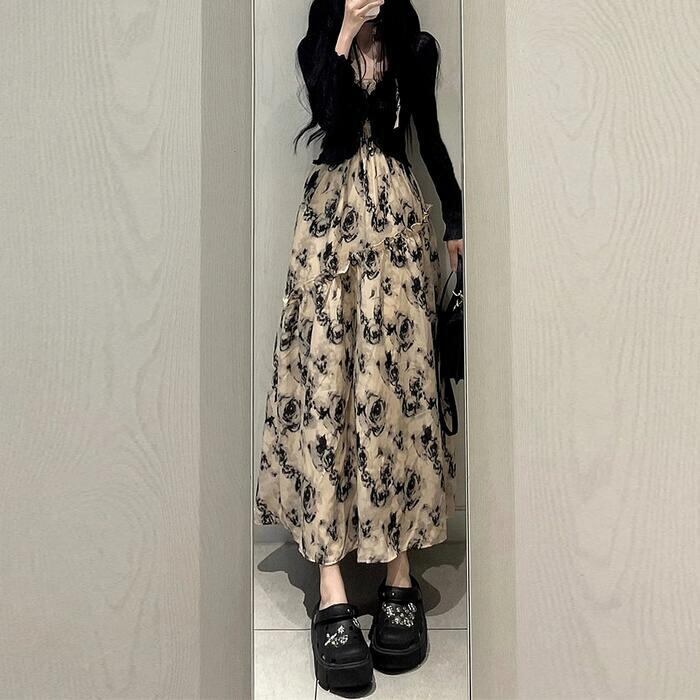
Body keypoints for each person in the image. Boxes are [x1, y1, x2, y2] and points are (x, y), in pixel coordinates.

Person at [254, 0, 463, 691]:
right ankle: (331, 584)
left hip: (396, 231)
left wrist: (455, 223)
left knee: (398, 391)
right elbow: (334, 127)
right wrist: (343, 36)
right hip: (330, 230)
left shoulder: (414, 49)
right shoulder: (320, 46)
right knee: (326, 390)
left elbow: (429, 142)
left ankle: (400, 572)